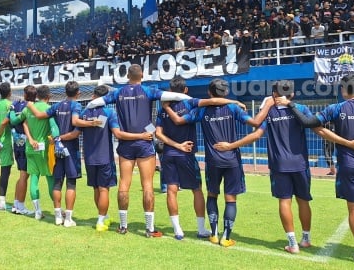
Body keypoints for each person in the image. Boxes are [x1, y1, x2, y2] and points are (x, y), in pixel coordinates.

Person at [279, 74, 354, 266]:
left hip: (349, 165)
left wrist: (290, 104)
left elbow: (308, 123)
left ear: (342, 90)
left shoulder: (336, 108)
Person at [85, 64, 191, 237]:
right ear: (142, 74)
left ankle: (123, 226)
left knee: (124, 184)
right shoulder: (149, 91)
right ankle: (149, 229)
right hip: (144, 143)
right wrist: (187, 97)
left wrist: (91, 110)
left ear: (127, 75)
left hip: (126, 144)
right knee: (147, 185)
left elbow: (94, 103)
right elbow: (176, 96)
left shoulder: (118, 93)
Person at [162, 78, 263, 247]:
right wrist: (266, 107)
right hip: (232, 159)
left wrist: (166, 108)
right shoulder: (233, 108)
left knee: (211, 195)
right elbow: (254, 123)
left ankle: (214, 234)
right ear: (226, 93)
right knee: (230, 199)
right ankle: (226, 237)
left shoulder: (201, 111)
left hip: (212, 161)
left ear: (209, 93)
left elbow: (179, 121)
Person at [79, 85, 152, 231]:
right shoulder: (108, 112)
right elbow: (118, 134)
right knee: (104, 189)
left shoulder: (84, 112)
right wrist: (144, 135)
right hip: (105, 156)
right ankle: (101, 221)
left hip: (88, 156)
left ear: (93, 96)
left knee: (96, 189)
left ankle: (106, 218)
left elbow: (76, 129)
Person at [24, 81, 83, 227]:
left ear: (65, 92)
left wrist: (30, 104)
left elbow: (37, 116)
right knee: (70, 183)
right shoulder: (76, 106)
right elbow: (75, 131)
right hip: (68, 149)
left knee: (56, 182)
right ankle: (68, 218)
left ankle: (57, 216)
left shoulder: (56, 106)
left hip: (54, 149)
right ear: (78, 93)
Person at [9, 85, 61, 220]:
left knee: (34, 179)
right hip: (43, 150)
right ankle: (58, 212)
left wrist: (11, 111)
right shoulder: (48, 110)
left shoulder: (27, 109)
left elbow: (14, 121)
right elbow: (54, 128)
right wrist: (56, 140)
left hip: (30, 148)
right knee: (51, 179)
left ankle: (37, 212)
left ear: (37, 96)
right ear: (49, 97)